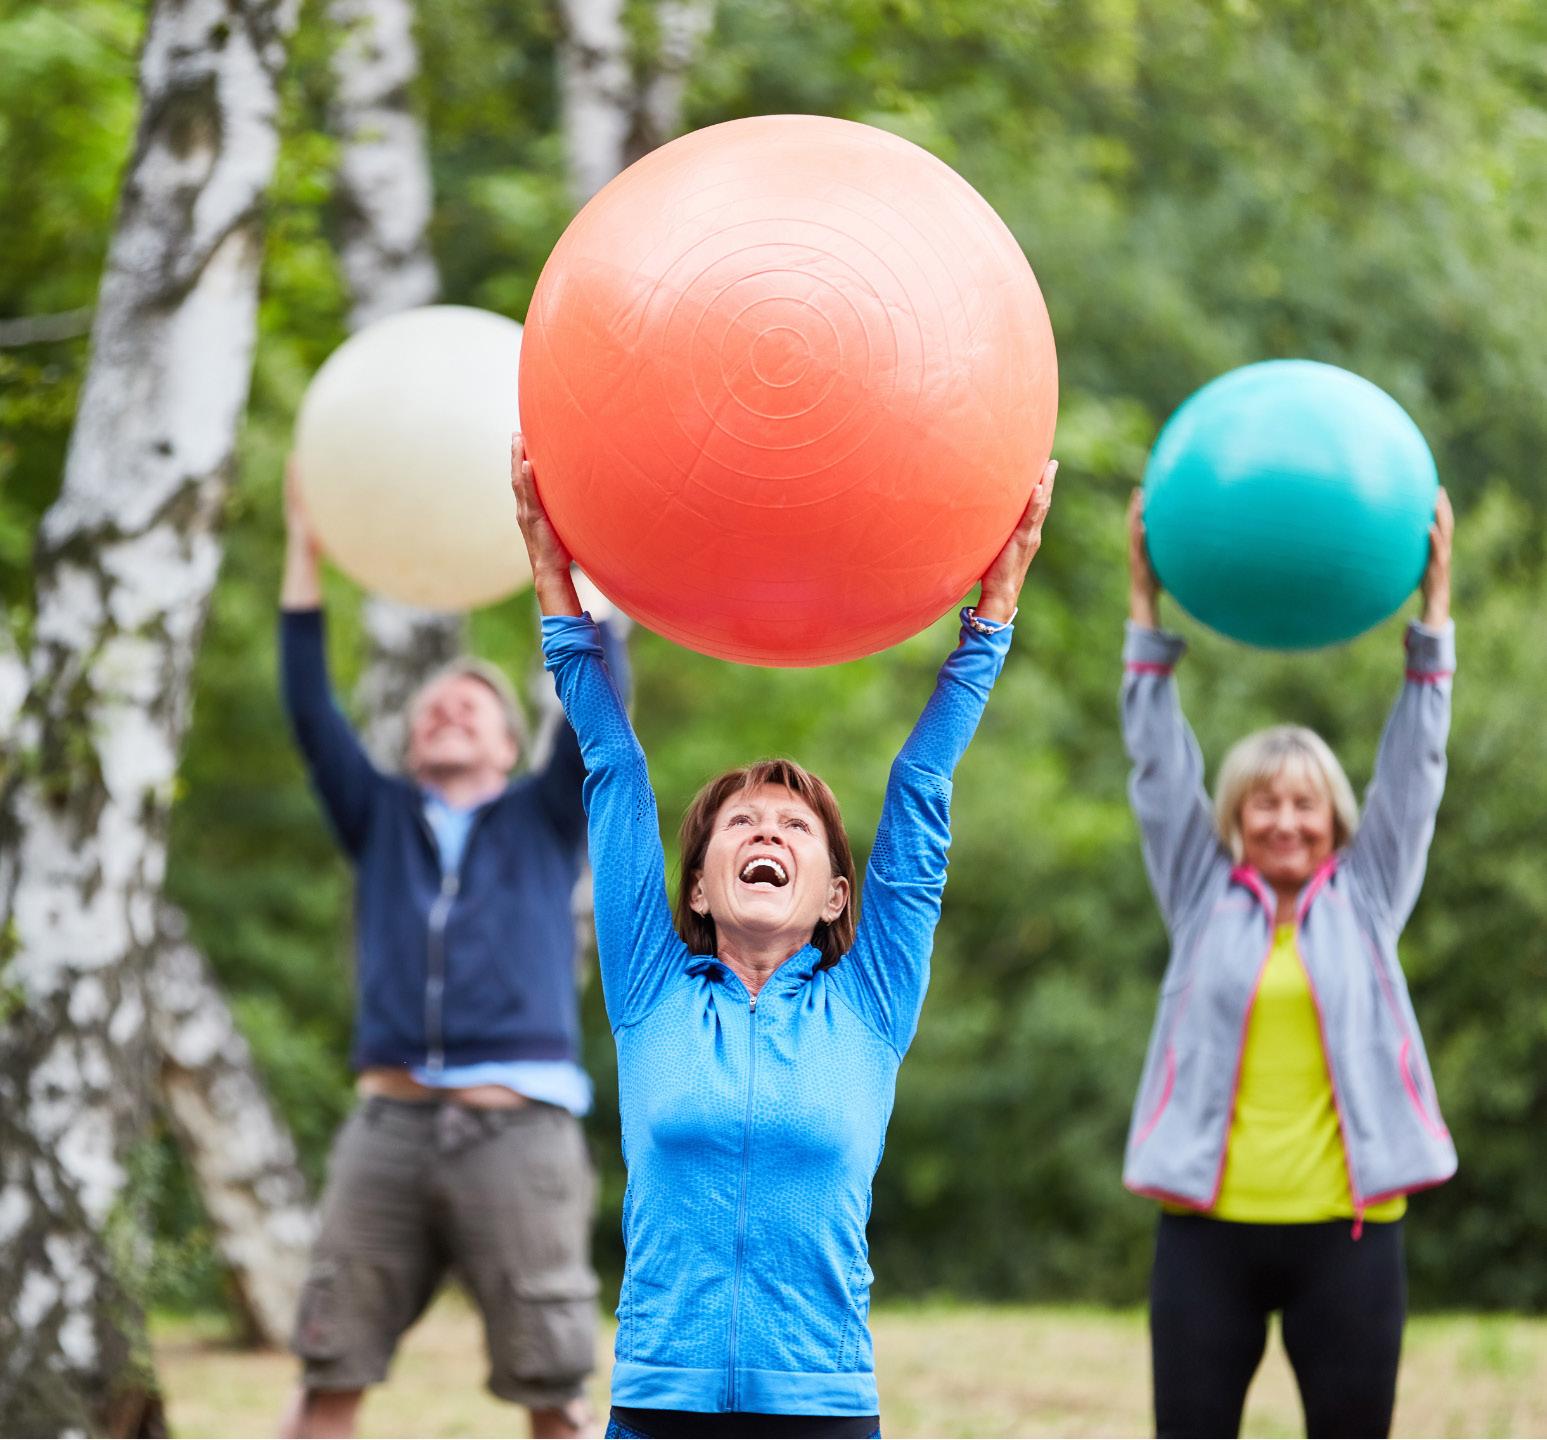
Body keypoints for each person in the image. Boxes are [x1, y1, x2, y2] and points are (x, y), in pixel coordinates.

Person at [512, 434, 1056, 1439]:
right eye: (741, 824)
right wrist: (556, 586)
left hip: (821, 1403)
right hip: (659, 1399)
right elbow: (613, 771)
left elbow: (921, 786)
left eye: (794, 827)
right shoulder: (649, 987)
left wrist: (991, 620)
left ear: (837, 897)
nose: (765, 832)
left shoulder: (871, 1002)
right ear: (699, 886)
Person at [277, 466, 626, 1439]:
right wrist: (304, 549)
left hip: (518, 1133)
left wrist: (578, 567)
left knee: (554, 1391)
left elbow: (599, 702)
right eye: (434, 705)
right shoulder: (378, 817)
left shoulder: (546, 818)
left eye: (475, 704)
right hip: (384, 1131)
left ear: (512, 747)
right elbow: (309, 708)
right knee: (326, 1371)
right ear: (409, 744)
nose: (450, 709)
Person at [1119, 487, 1458, 1438]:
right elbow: (1158, 770)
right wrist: (1143, 610)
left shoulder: (1368, 892)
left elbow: (1415, 770)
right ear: (1233, 818)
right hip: (1205, 1234)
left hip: (1348, 1234)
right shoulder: (1199, 892)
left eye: (1304, 803)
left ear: (1334, 818)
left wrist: (1432, 622)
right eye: (1262, 803)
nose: (1284, 820)